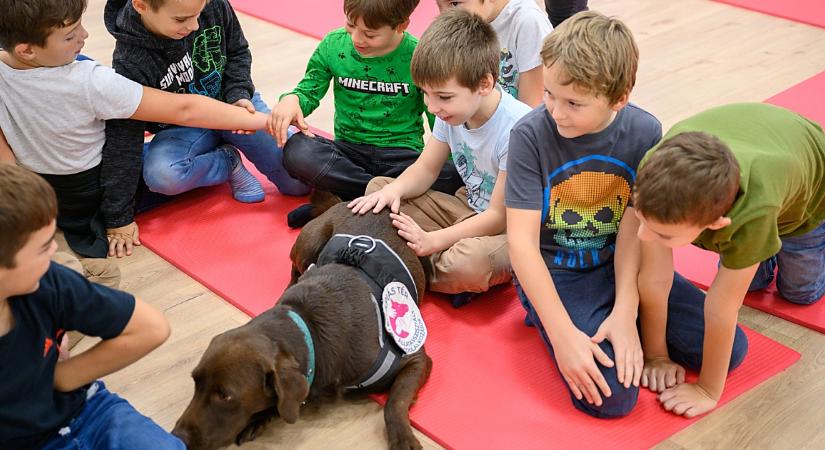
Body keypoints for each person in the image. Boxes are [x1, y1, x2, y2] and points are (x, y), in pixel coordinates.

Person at [504, 11, 749, 418]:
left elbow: (635, 230)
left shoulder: (645, 132)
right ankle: (558, 320)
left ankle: (614, 327)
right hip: (559, 274)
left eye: (573, 103)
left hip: (624, 266)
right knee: (612, 399)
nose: (555, 111)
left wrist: (626, 309)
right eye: (549, 94)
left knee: (731, 351)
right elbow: (521, 245)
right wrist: (564, 337)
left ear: (619, 97)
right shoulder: (529, 136)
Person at [0, 0, 272, 263]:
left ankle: (225, 160)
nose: (85, 35)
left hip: (102, 180)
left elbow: (186, 109)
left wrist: (260, 120)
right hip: (53, 191)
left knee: (164, 172)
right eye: (71, 36)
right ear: (25, 50)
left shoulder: (92, 80)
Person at [633, 102, 825, 417]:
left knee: (799, 292)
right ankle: (761, 250)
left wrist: (707, 390)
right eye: (640, 219)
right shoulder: (654, 169)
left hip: (812, 187)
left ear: (718, 224)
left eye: (663, 235)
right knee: (754, 282)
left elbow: (722, 308)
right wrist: (656, 356)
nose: (642, 236)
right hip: (759, 139)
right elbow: (654, 279)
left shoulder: (752, 211)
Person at [349, 9, 531, 307]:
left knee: (471, 264)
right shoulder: (450, 110)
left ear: (484, 84)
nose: (432, 107)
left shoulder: (517, 129)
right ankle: (429, 267)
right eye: (425, 94)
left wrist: (435, 240)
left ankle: (403, 265)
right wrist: (393, 190)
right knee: (379, 191)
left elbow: (499, 217)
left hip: (509, 229)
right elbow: (425, 168)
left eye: (443, 97)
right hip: (463, 207)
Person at [0, 164, 183, 449]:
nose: (54, 251)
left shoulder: (51, 280)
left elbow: (151, 328)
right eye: (43, 247)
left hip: (87, 411)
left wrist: (64, 376)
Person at [102, 0, 310, 246]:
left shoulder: (209, 3)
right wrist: (118, 218)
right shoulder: (130, 61)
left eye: (199, 14)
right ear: (141, 5)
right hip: (181, 128)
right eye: (181, 20)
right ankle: (227, 160)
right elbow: (124, 135)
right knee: (162, 175)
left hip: (234, 108)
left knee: (298, 184)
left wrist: (239, 94)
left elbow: (237, 51)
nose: (195, 25)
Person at [269, 0, 463, 228]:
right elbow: (309, 90)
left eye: (370, 35)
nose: (357, 39)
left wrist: (453, 163)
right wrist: (293, 100)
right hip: (348, 151)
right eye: (351, 25)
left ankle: (343, 201)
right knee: (298, 152)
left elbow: (439, 117)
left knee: (454, 172)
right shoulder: (334, 45)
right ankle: (383, 197)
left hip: (402, 157)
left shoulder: (418, 55)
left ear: (401, 25)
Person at [435, 0, 552, 107]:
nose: (445, 16)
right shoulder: (462, 24)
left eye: (455, 4)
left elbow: (530, 107)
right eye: (439, 6)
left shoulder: (528, 21)